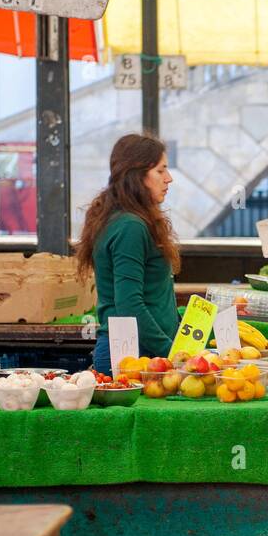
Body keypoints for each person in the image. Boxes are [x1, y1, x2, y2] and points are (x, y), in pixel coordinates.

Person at [76, 133, 180, 375]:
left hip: (143, 354)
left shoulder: (128, 220)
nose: (169, 178)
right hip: (133, 357)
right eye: (161, 171)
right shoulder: (130, 227)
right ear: (138, 175)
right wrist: (171, 354)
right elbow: (129, 304)